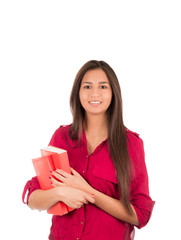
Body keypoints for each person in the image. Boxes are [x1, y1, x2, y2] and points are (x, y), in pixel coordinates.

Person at [22, 60, 155, 240]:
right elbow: (33, 197)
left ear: (113, 92)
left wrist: (87, 191)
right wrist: (59, 192)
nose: (94, 93)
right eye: (87, 87)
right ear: (77, 93)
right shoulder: (62, 137)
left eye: (102, 86)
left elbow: (141, 215)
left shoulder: (131, 144)